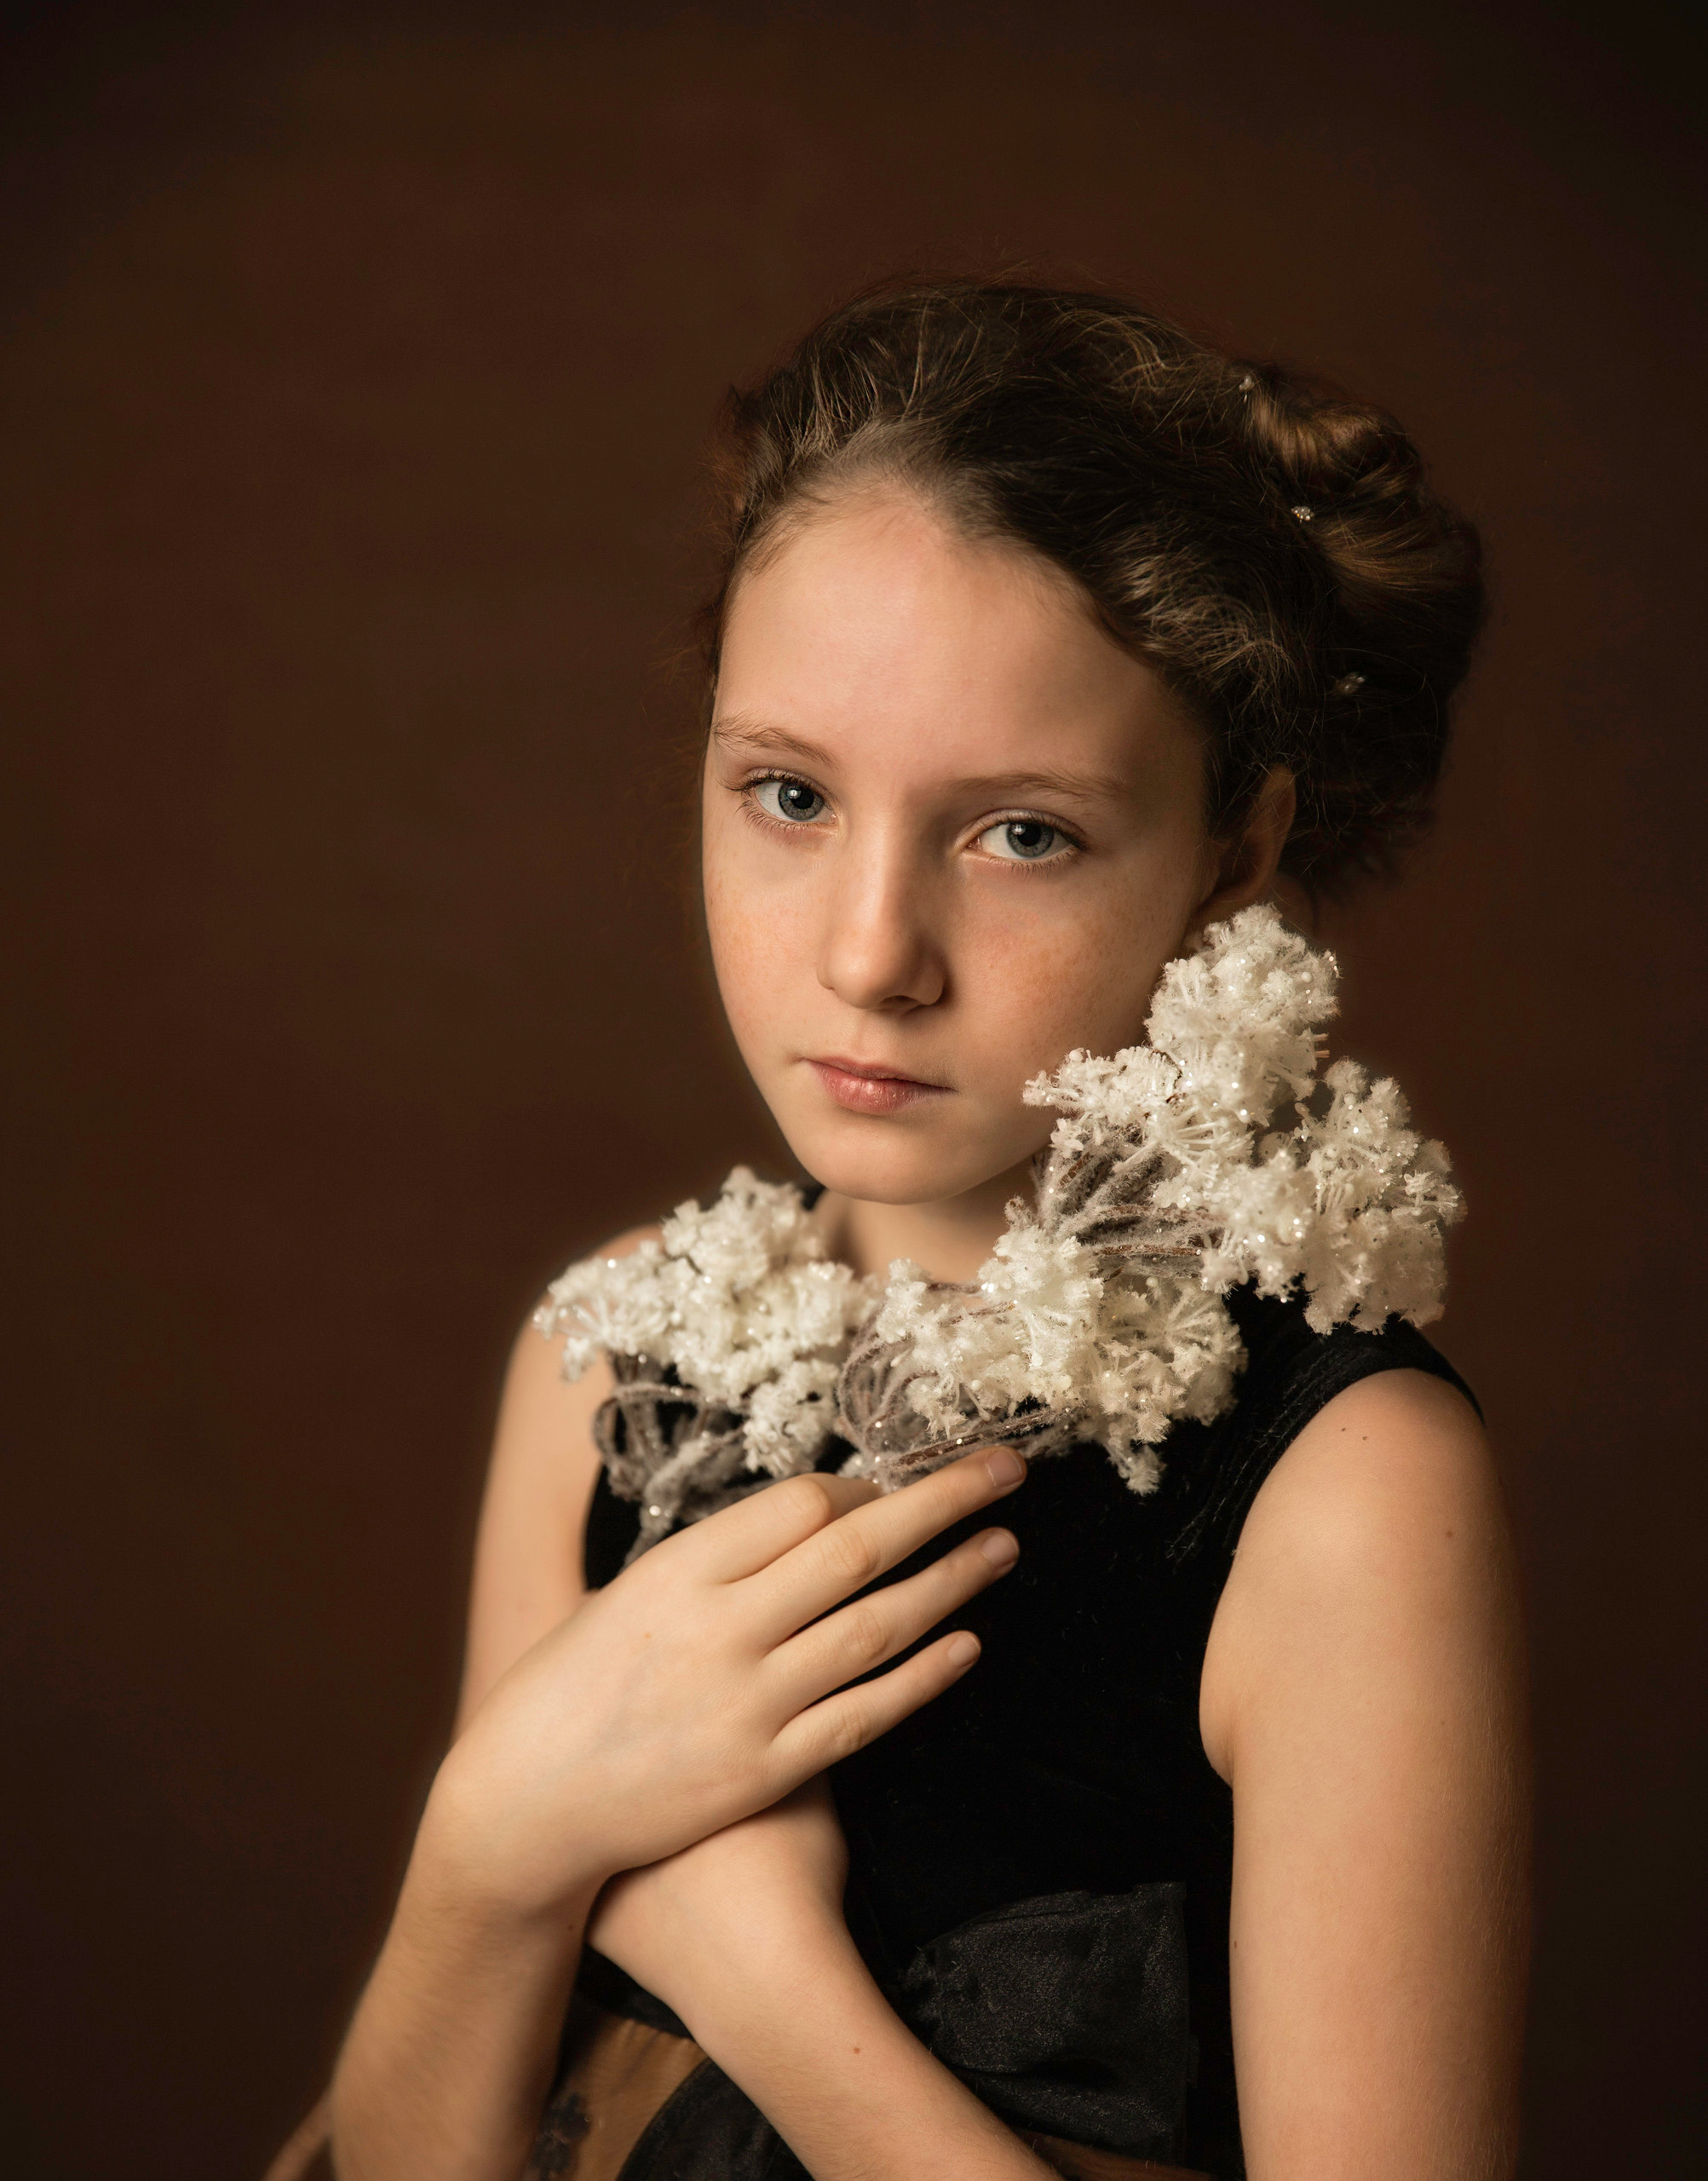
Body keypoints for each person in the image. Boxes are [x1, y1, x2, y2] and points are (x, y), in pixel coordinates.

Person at [319, 280, 1529, 2181]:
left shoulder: (1336, 1491)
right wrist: (493, 1843)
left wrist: (764, 1983)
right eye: (788, 794)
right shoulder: (606, 1365)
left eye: (1018, 830)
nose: (868, 954)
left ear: (1232, 843)